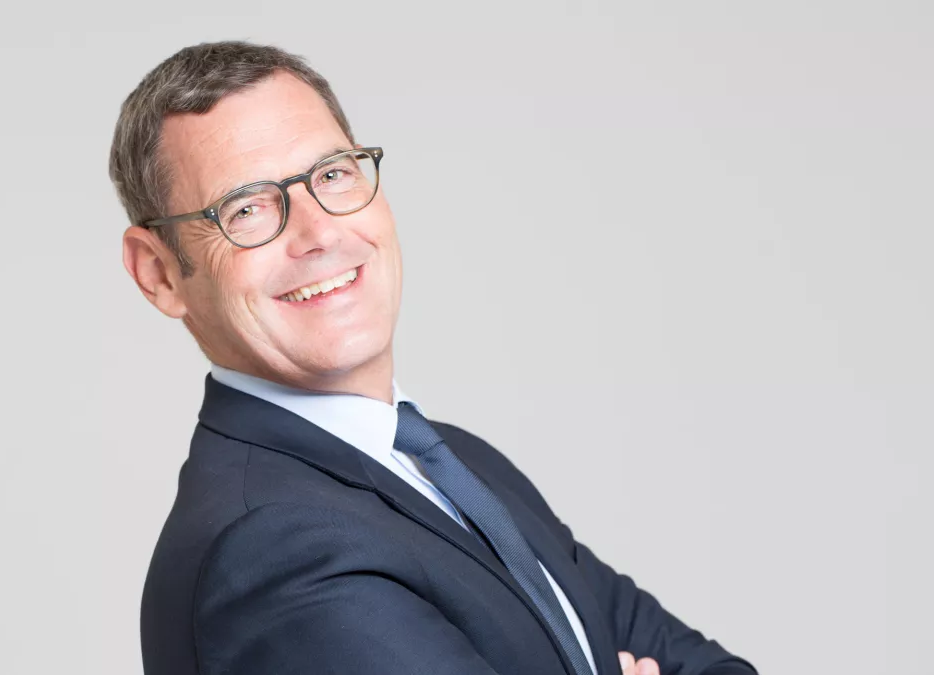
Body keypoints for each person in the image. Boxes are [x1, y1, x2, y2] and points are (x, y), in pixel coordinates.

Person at [109, 41, 756, 675]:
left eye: (332, 174)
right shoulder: (272, 550)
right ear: (159, 274)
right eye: (246, 208)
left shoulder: (454, 465)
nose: (319, 231)